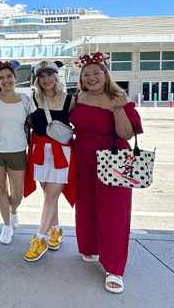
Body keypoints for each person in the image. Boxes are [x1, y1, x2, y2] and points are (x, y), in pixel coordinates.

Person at [70, 52, 142, 294]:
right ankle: (91, 247)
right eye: (86, 74)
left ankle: (114, 268)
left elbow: (126, 134)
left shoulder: (117, 97)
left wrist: (118, 110)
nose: (91, 77)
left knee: (113, 211)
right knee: (86, 203)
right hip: (82, 152)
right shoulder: (78, 97)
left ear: (105, 74)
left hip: (113, 155)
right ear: (81, 77)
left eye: (96, 72)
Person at [22, 60, 76, 262]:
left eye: (49, 75)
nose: (46, 79)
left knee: (51, 196)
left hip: (61, 153)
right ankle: (56, 230)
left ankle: (40, 238)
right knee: (48, 195)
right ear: (37, 80)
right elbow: (28, 123)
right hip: (39, 152)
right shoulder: (32, 100)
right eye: (42, 76)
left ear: (56, 76)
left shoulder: (70, 100)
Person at [0, 60, 36, 245]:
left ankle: (13, 211)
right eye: (1, 78)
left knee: (18, 194)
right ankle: (6, 225)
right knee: (1, 189)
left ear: (15, 78)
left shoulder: (26, 100)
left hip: (17, 150)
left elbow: (33, 123)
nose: (5, 81)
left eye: (9, 77)